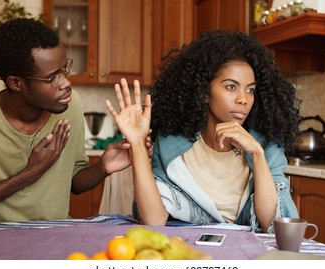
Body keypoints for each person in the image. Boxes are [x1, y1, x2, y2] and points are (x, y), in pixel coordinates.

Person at [106, 30, 301, 232]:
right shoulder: (173, 143)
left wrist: (257, 154)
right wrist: (137, 143)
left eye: (250, 90)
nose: (243, 99)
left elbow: (275, 224)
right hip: (191, 247)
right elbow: (154, 220)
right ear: (204, 93)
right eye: (231, 87)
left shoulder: (267, 144)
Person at [0, 18, 150, 226]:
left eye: (65, 69)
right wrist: (30, 173)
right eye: (53, 77)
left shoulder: (71, 106)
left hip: (54, 235)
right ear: (16, 83)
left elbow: (74, 181)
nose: (66, 82)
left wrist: (102, 167)